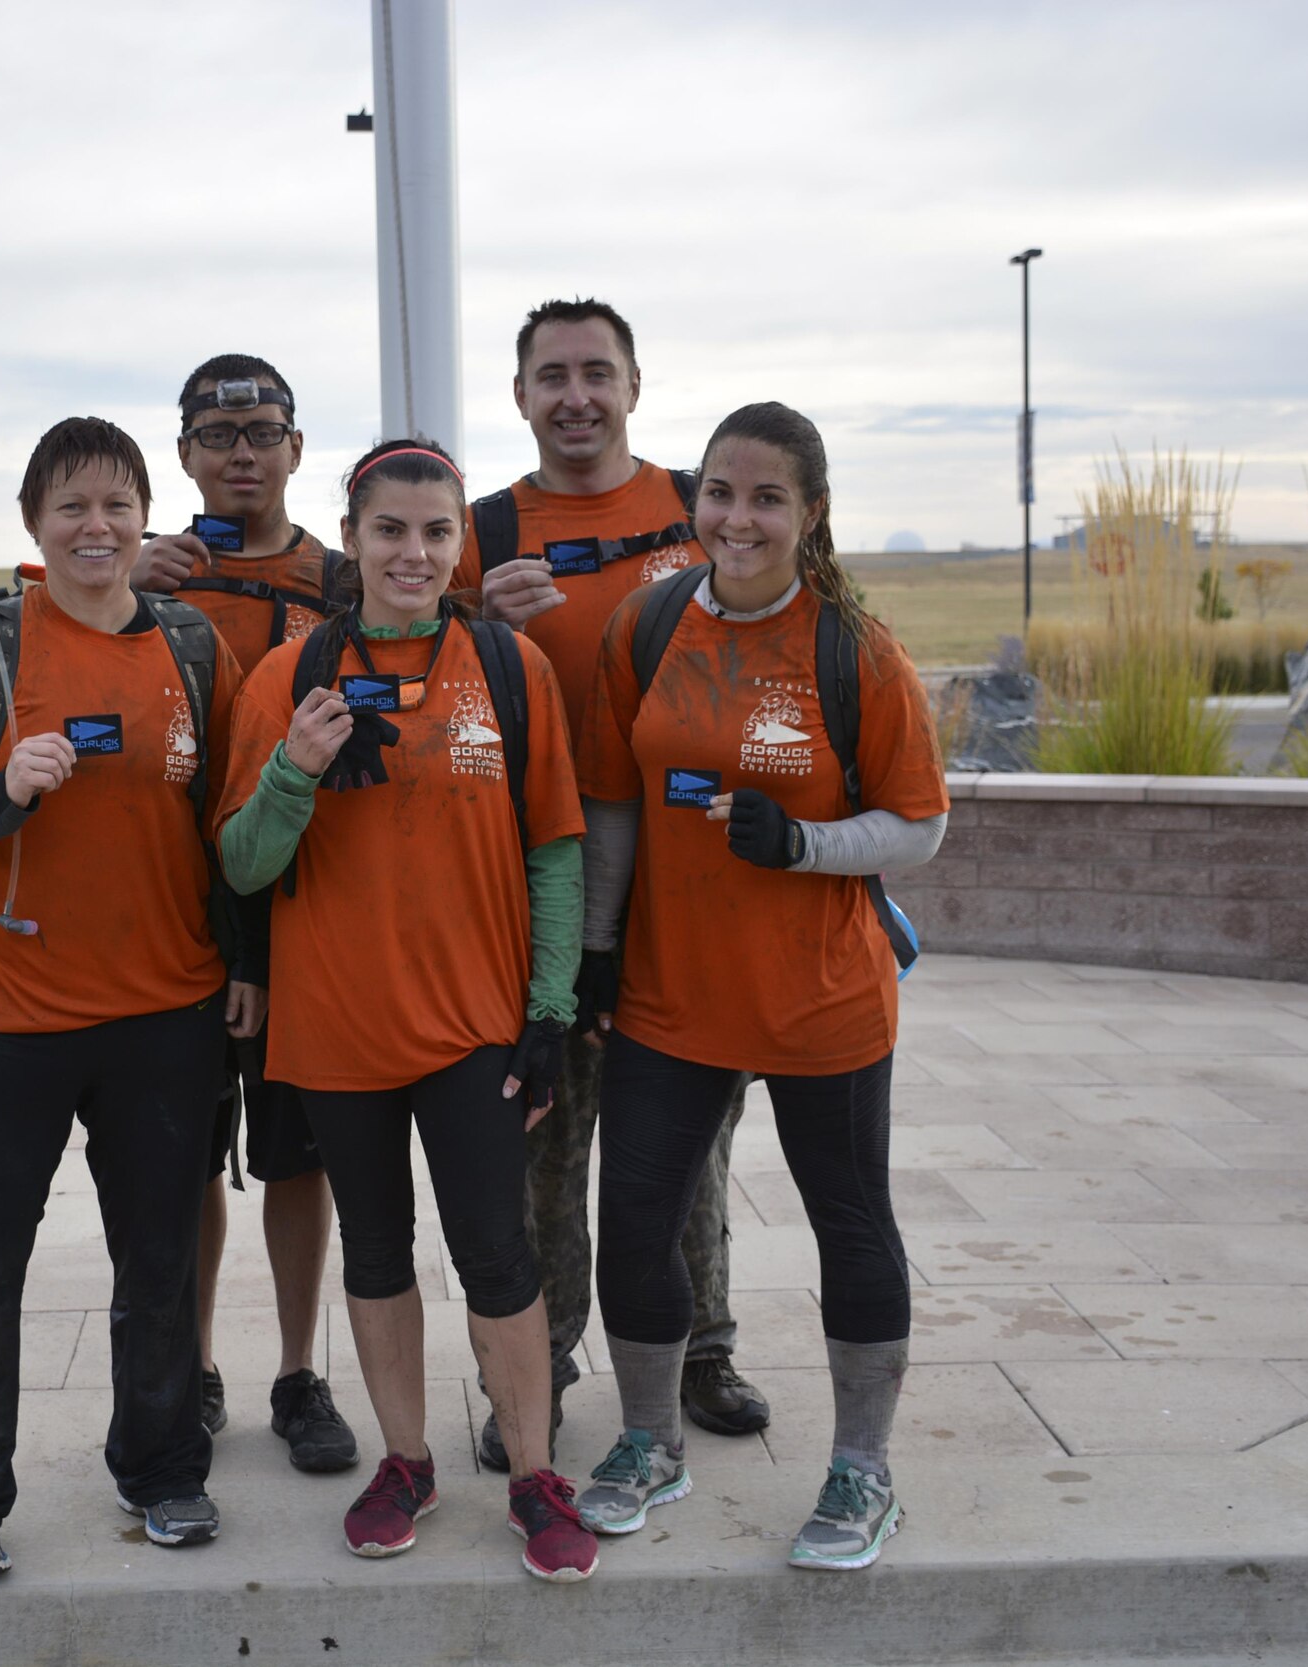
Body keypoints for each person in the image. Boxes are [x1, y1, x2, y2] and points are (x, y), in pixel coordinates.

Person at [570, 401, 948, 1570]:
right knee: (630, 1221)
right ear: (698, 504)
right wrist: (591, 957)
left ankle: (860, 1470)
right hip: (671, 997)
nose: (739, 518)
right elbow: (617, 802)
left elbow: (918, 827)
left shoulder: (854, 649)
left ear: (809, 513)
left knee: (850, 1226)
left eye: (767, 497)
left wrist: (806, 846)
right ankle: (647, 1440)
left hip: (819, 1001)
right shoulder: (643, 626)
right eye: (721, 494)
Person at [215, 437, 600, 1584]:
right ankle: (405, 1459)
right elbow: (238, 863)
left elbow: (555, 847)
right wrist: (292, 767)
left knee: (496, 1250)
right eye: (389, 529)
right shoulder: (288, 678)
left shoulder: (509, 666)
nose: (413, 551)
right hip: (336, 1030)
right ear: (351, 539)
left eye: (436, 531)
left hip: (473, 1025)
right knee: (377, 1253)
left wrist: (547, 1010)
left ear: (457, 543)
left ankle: (532, 1472)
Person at [0, 416, 247, 1580]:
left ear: (147, 518)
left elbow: (230, 829)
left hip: (165, 1012)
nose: (97, 527)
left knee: (158, 1257)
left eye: (117, 505)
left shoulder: (190, 649)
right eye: (71, 507)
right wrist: (3, 787)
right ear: (34, 522)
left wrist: (246, 967)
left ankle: (163, 1469)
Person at [457, 298, 769, 1465]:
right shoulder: (482, 530)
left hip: (693, 883)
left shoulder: (704, 506)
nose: (575, 394)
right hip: (538, 885)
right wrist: (470, 617)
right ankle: (539, 1370)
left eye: (597, 371)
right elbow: (420, 681)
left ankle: (700, 1345)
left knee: (691, 1130)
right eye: (552, 375)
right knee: (548, 1134)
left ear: (634, 384)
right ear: (521, 396)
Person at [129, 353, 358, 1473]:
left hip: (307, 913)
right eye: (217, 436)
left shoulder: (343, 579)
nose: (241, 452)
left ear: (295, 450)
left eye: (262, 431)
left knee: (296, 1158)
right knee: (184, 1161)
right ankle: (199, 1364)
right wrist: (123, 575)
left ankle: (295, 1369)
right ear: (182, 455)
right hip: (174, 915)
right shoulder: (139, 580)